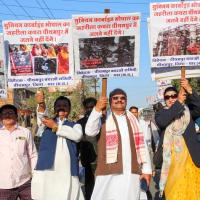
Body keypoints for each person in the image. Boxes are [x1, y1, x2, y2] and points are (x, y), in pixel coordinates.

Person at [85, 88, 152, 200]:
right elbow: (89, 131)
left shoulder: (134, 121)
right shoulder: (103, 119)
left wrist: (147, 170)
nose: (119, 100)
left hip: (131, 173)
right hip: (109, 171)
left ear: (126, 101)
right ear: (110, 101)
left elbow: (143, 145)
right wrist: (97, 109)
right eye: (115, 98)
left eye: (122, 98)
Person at [31, 93, 84, 200]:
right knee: (47, 194)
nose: (61, 107)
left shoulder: (75, 125)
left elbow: (77, 136)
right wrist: (41, 104)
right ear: (54, 108)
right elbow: (42, 115)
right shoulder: (46, 124)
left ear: (69, 109)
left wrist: (55, 127)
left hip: (67, 169)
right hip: (48, 169)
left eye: (65, 105)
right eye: (58, 105)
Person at [155, 79, 200, 199]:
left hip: (191, 161)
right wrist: (178, 102)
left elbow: (199, 107)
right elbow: (164, 121)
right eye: (167, 97)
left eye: (174, 96)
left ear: (179, 95)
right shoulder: (161, 114)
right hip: (172, 164)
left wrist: (190, 90)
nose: (170, 99)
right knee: (174, 194)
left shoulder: (188, 111)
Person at [0, 104, 37, 200]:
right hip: (4, 184)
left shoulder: (25, 132)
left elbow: (33, 155)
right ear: (1, 117)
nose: (7, 115)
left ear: (16, 116)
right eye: (4, 113)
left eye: (10, 113)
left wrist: (36, 175)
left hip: (25, 182)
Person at [77, 97, 97, 200]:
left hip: (101, 158)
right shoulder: (79, 123)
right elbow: (77, 142)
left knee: (100, 184)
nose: (90, 109)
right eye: (87, 107)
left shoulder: (102, 121)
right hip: (86, 158)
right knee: (89, 185)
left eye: (92, 107)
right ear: (85, 108)